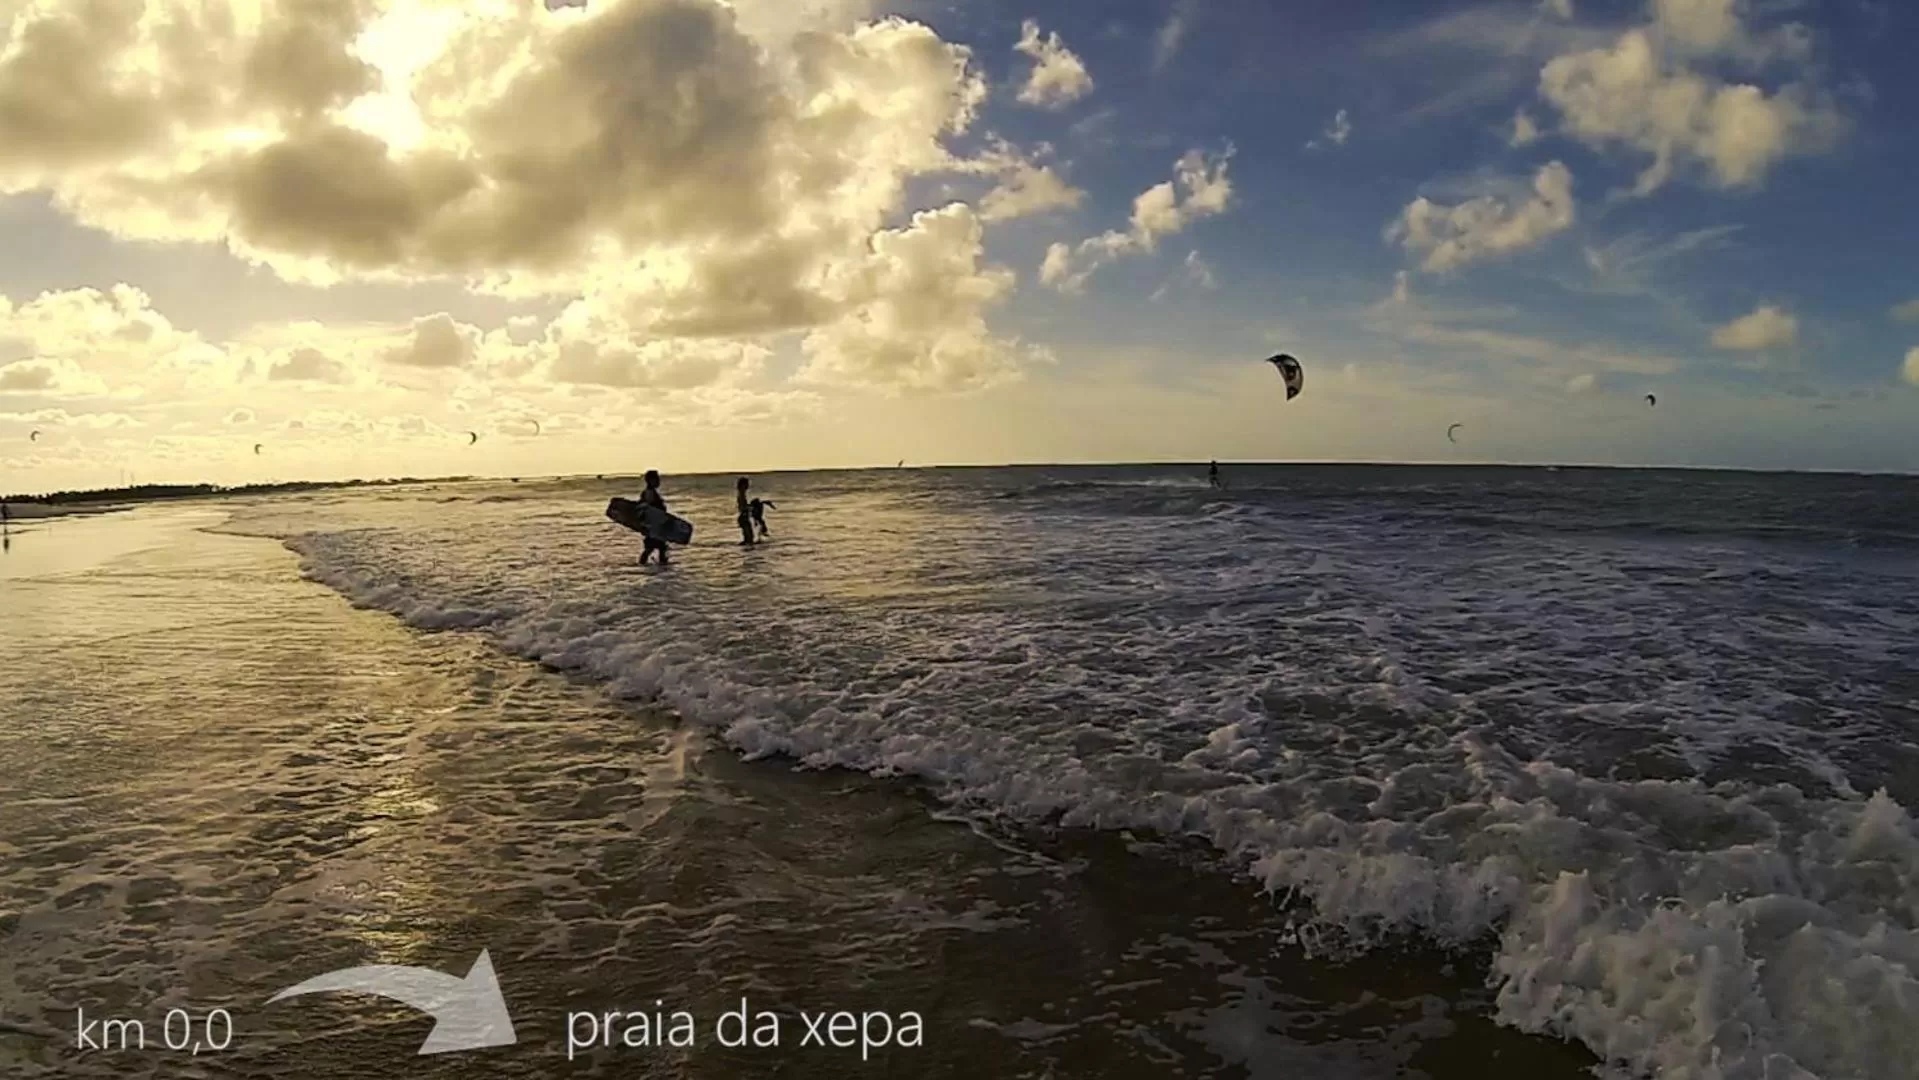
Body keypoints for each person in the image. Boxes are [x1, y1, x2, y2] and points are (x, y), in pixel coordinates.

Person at [638, 470, 671, 566]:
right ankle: (660, 567)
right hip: (654, 527)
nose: (658, 482)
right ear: (650, 480)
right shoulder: (650, 493)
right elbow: (649, 510)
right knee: (656, 548)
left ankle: (647, 566)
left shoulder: (648, 492)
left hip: (653, 527)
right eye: (656, 480)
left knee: (656, 548)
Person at [735, 477, 756, 546]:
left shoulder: (742, 494)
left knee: (748, 537)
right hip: (744, 517)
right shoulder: (741, 495)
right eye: (746, 484)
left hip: (744, 517)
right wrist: (751, 507)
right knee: (749, 538)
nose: (748, 486)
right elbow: (743, 507)